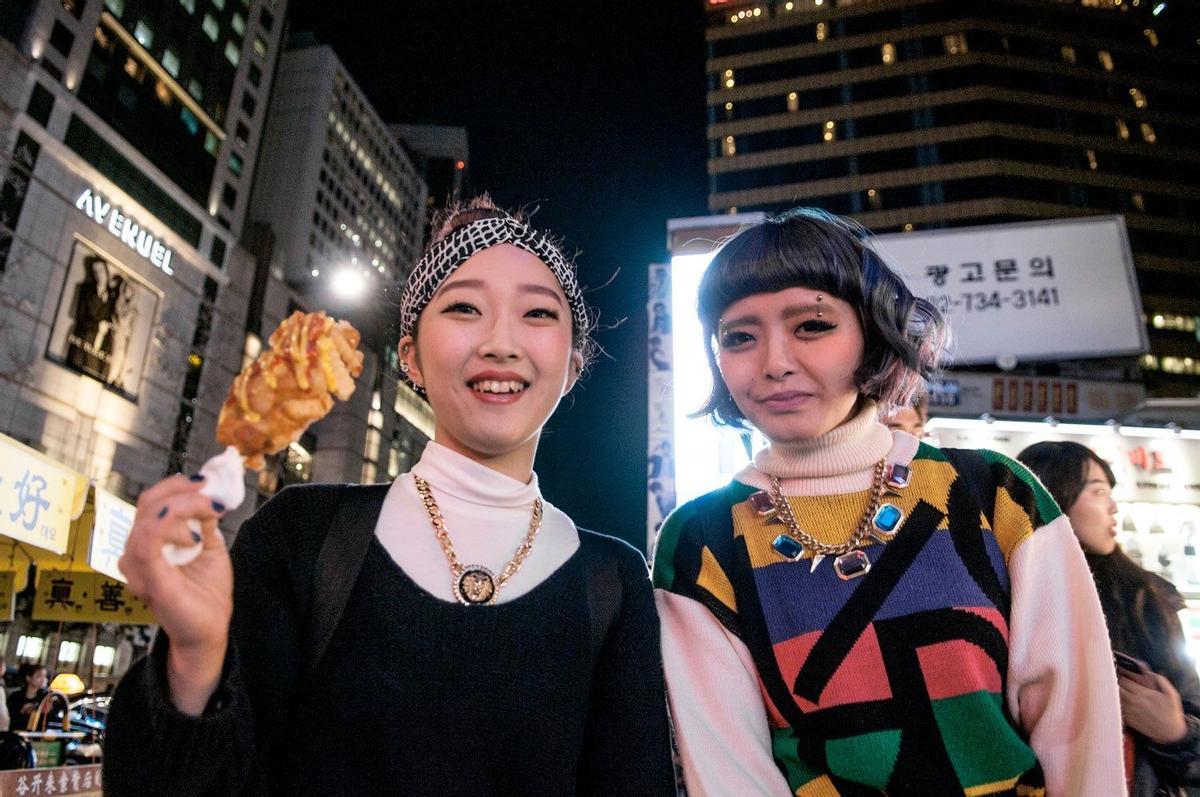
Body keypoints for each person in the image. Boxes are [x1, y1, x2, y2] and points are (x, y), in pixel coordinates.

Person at [104, 197, 675, 795]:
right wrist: (196, 657)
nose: (501, 342)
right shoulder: (302, 535)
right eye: (463, 308)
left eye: (537, 313)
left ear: (572, 365)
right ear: (412, 359)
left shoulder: (612, 580)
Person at [652, 208, 1123, 795]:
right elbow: (729, 774)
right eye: (739, 336)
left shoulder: (997, 494)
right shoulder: (700, 541)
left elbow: (1079, 736)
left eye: (812, 326)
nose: (774, 362)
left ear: (872, 334)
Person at [1019, 440, 1200, 796]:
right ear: (1052, 494)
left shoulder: (1146, 599)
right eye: (1098, 491)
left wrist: (1175, 732)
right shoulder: (1007, 594)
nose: (1114, 508)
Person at [6, 663, 47, 733]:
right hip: (16, 734)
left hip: (37, 736)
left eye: (44, 676)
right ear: (28, 678)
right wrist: (22, 711)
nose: (43, 679)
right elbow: (9, 718)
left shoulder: (45, 697)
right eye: (39, 676)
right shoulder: (15, 696)